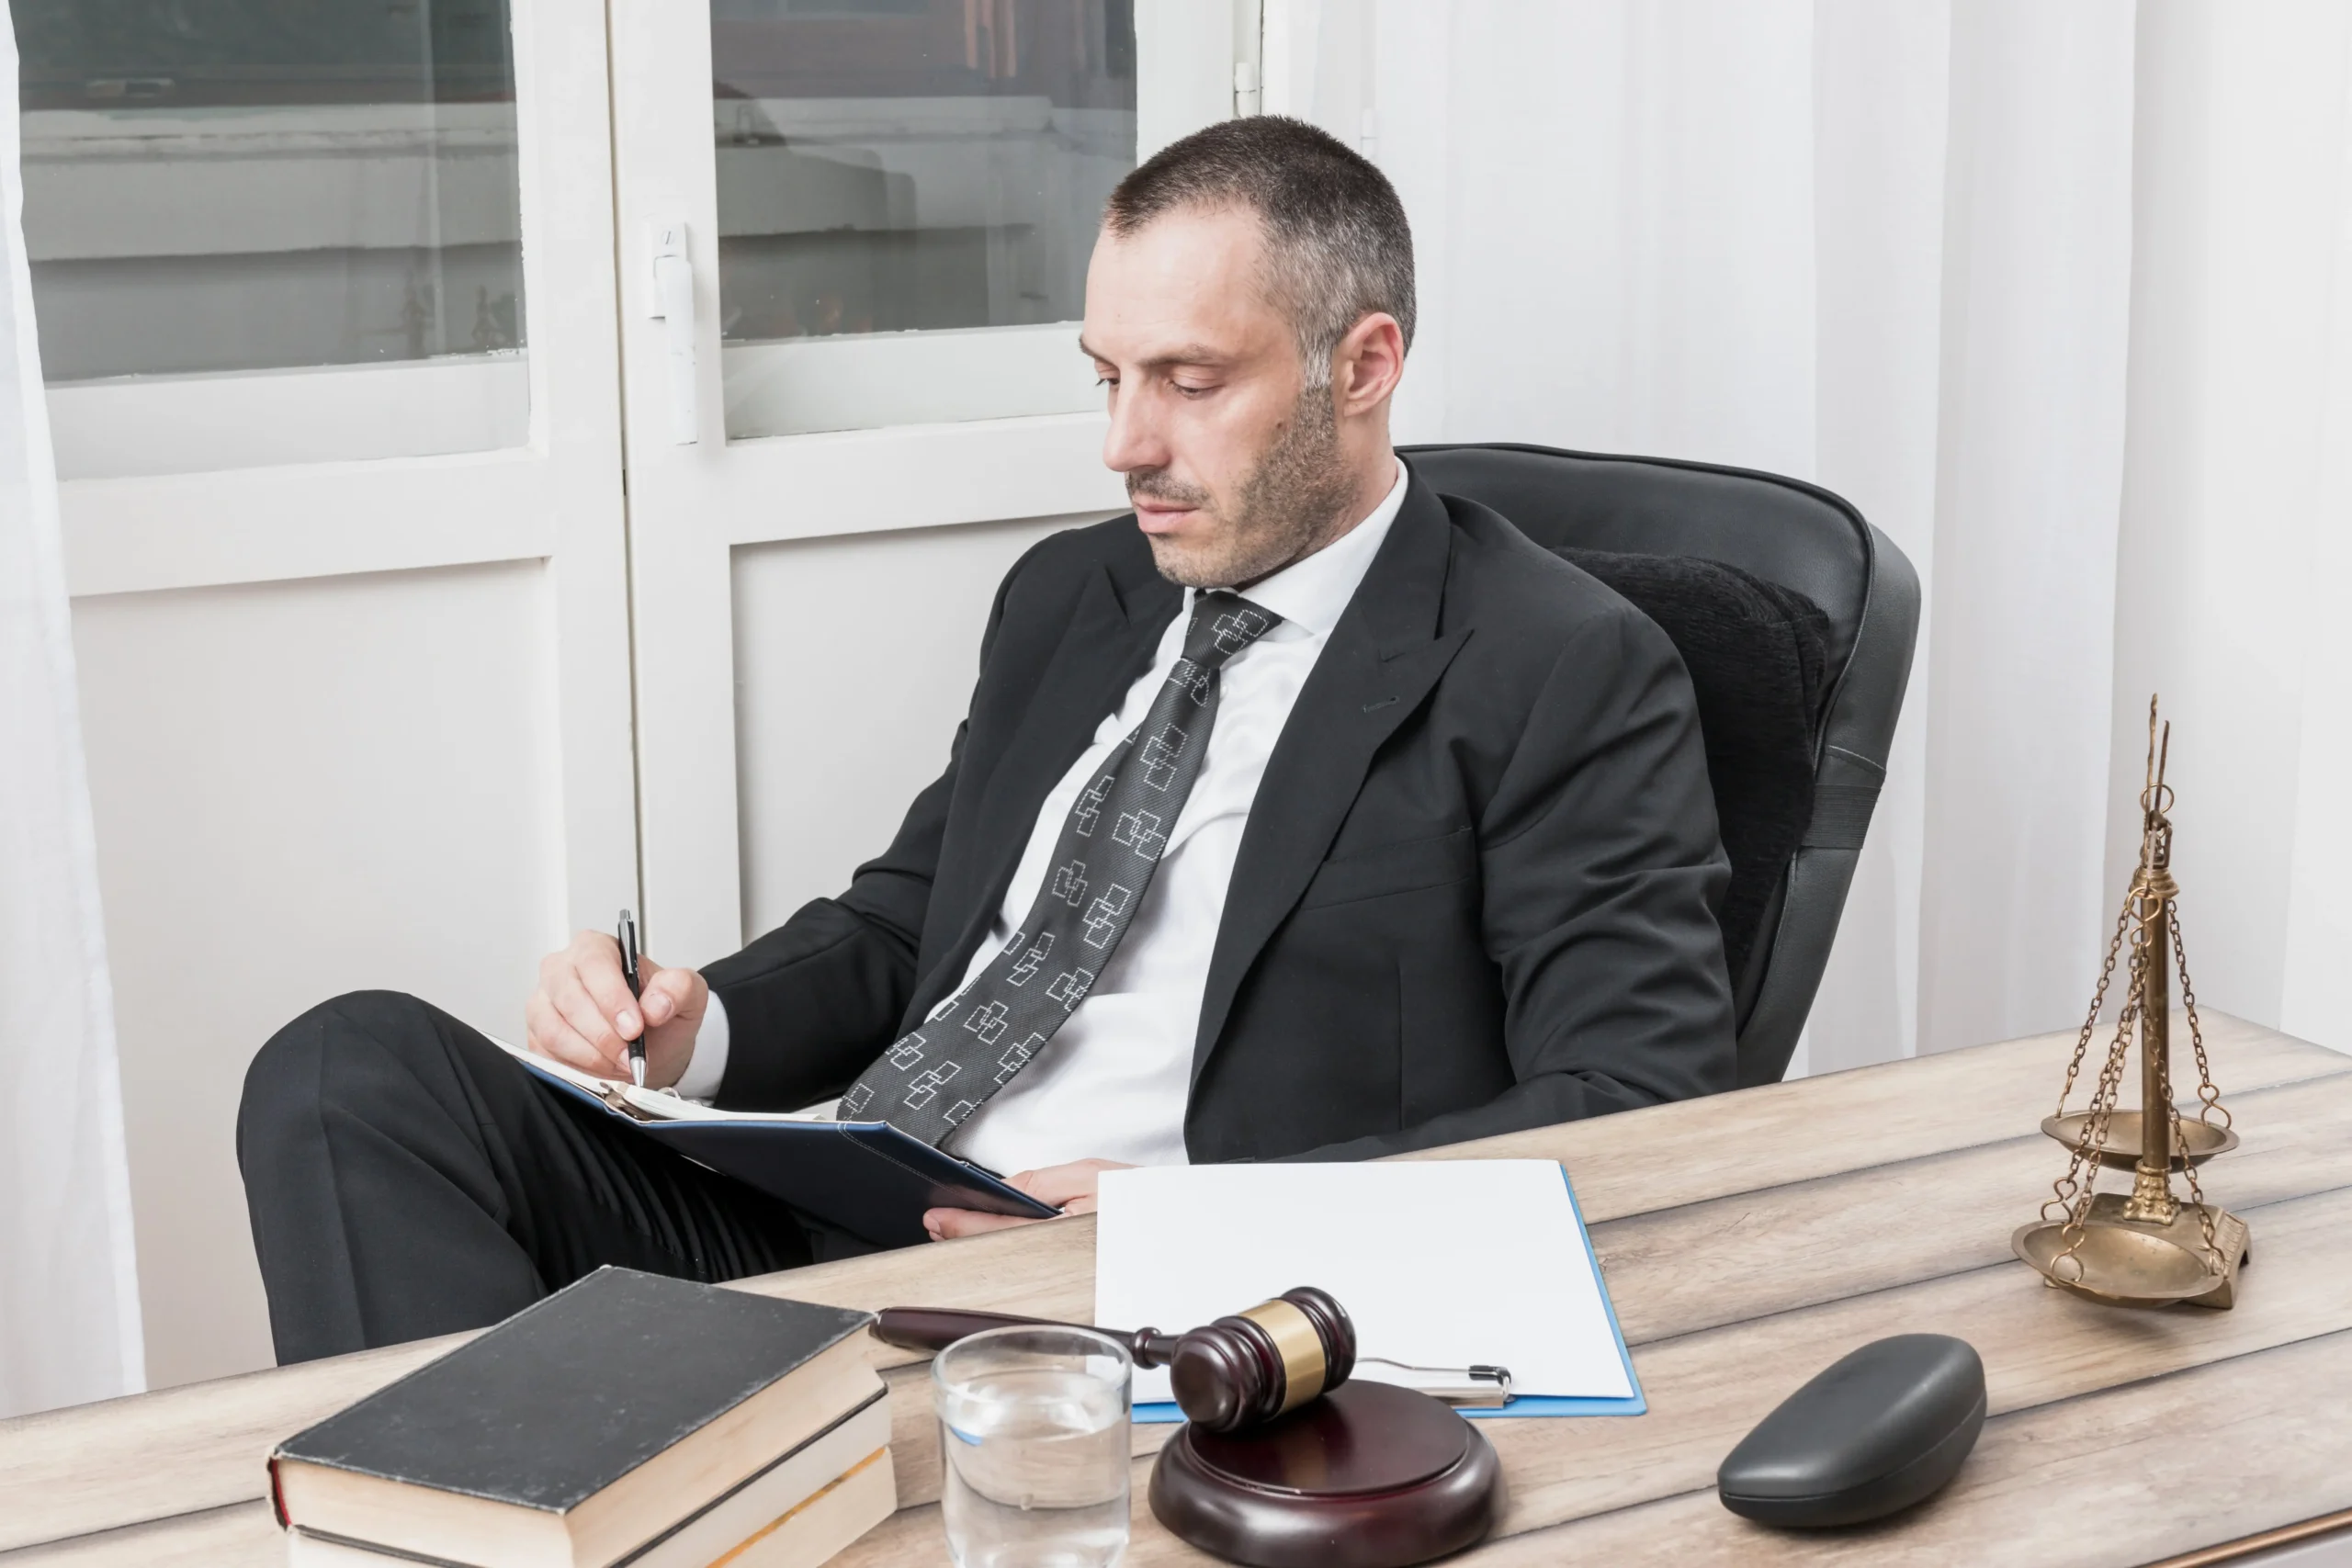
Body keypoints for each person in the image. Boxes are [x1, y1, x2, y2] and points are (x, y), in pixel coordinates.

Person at [238, 116, 1735, 1365]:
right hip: (850, 1209)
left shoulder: (1563, 669)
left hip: (1135, 1292)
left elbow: (1640, 1101)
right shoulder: (1076, 594)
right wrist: (696, 1030)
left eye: (1190, 382)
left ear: (1364, 364)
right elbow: (914, 922)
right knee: (345, 1067)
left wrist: (1194, 1219)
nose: (1125, 445)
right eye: (1108, 375)